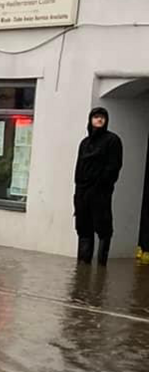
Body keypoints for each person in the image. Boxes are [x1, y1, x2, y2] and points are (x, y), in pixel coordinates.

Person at [74, 107, 122, 264]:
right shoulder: (85, 143)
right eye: (96, 117)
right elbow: (79, 168)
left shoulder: (112, 140)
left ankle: (102, 266)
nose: (99, 120)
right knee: (83, 228)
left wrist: (102, 185)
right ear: (91, 120)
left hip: (100, 193)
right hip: (82, 193)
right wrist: (78, 193)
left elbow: (113, 167)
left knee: (103, 228)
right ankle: (83, 267)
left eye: (102, 117)